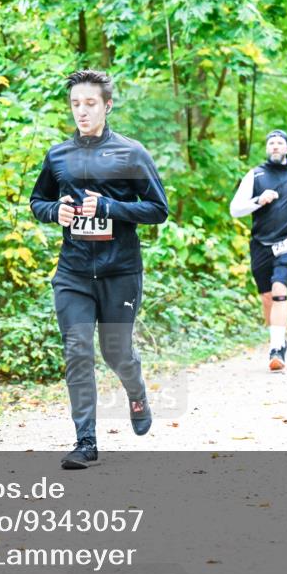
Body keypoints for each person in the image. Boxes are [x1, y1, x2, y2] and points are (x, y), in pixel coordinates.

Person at [29, 69, 169, 469]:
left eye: (90, 104)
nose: (82, 111)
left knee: (116, 352)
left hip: (120, 271)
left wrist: (108, 207)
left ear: (107, 105)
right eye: (75, 104)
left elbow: (157, 210)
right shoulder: (58, 155)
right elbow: (37, 202)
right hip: (72, 272)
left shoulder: (131, 153)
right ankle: (85, 441)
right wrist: (57, 211)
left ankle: (136, 389)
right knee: (76, 351)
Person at [229, 129, 287, 371]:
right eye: (272, 143)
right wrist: (258, 200)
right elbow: (235, 209)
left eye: (280, 143)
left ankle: (276, 348)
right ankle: (278, 338)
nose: (276, 146)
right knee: (268, 297)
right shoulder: (255, 175)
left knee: (280, 290)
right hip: (260, 243)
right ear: (267, 148)